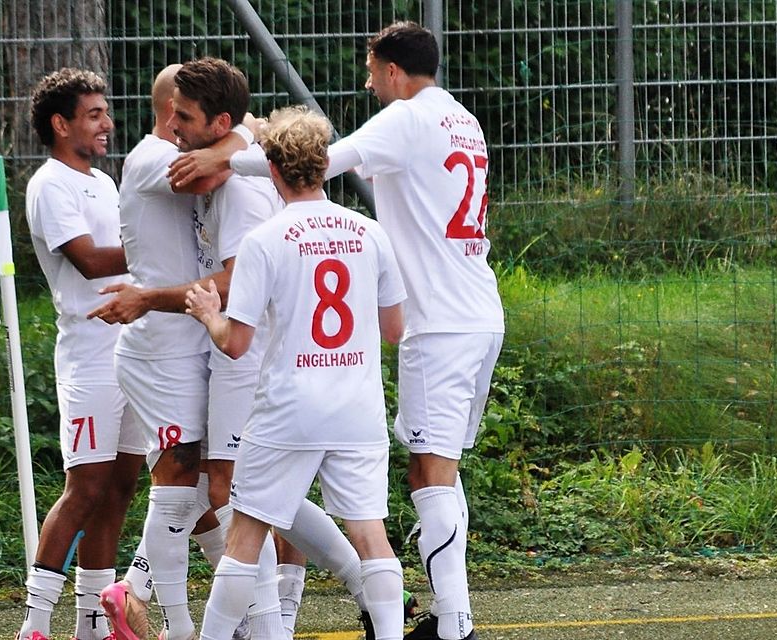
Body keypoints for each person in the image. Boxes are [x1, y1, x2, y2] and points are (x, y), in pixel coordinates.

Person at [169, 21, 505, 640]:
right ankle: (434, 619)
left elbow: (326, 158)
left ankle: (454, 624)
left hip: (430, 329)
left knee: (427, 474)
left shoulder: (405, 119)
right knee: (421, 484)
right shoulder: (462, 119)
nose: (369, 81)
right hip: (474, 312)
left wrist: (226, 155)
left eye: (373, 70)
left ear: (395, 72)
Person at [185, 105, 408, 640]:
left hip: (289, 408)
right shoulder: (370, 231)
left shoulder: (266, 239)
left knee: (245, 534)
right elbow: (395, 329)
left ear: (275, 169)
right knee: (370, 535)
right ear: (324, 164)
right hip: (356, 407)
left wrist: (209, 314)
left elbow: (236, 344)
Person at [91, 57, 285, 640]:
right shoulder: (154, 158)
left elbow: (223, 166)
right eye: (178, 115)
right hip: (165, 349)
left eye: (192, 120)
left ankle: (164, 610)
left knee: (201, 488)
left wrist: (243, 133)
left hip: (193, 343)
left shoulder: (215, 163)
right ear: (169, 111)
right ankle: (158, 605)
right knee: (197, 485)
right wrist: (248, 134)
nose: (181, 127)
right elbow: (209, 175)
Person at [18, 67, 147, 640]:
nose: (107, 124)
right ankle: (33, 625)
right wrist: (159, 245)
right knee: (86, 485)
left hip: (131, 350)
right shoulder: (50, 184)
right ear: (60, 123)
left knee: (122, 484)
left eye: (106, 112)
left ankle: (93, 623)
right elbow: (92, 262)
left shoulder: (103, 181)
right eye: (93, 114)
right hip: (89, 354)